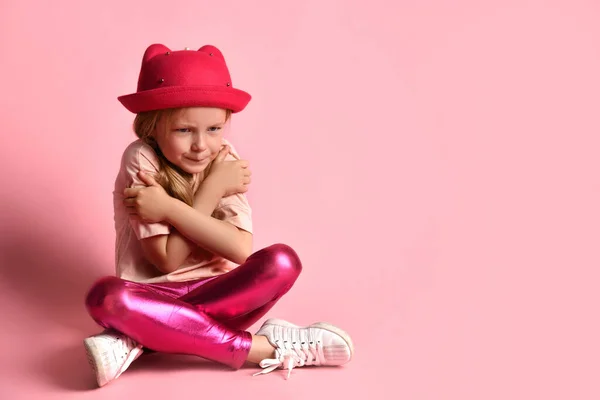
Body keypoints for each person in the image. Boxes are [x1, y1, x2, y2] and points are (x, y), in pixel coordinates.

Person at [82, 43, 354, 387]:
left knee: (283, 261)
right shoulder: (140, 157)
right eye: (184, 130)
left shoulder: (224, 158)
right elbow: (166, 260)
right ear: (152, 127)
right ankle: (262, 348)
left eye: (213, 129)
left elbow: (240, 250)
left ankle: (139, 338)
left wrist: (169, 207)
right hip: (153, 296)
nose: (201, 145)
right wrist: (212, 189)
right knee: (106, 297)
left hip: (221, 294)